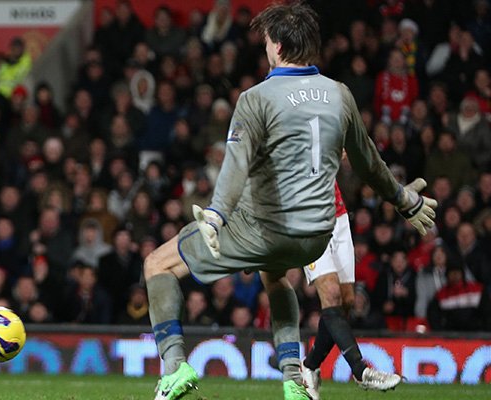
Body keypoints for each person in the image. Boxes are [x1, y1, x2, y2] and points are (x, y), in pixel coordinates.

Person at [143, 4, 437, 400]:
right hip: (316, 234)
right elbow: (370, 165)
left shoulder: (256, 97)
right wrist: (406, 201)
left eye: (266, 42)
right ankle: (294, 380)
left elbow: (235, 165)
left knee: (157, 264)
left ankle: (174, 368)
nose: (265, 49)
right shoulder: (340, 94)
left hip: (263, 229)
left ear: (278, 47)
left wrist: (215, 214)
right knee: (275, 275)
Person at [298, 183, 401, 400]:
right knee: (332, 294)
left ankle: (309, 366)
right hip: (306, 217)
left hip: (338, 215)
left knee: (345, 301)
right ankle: (361, 371)